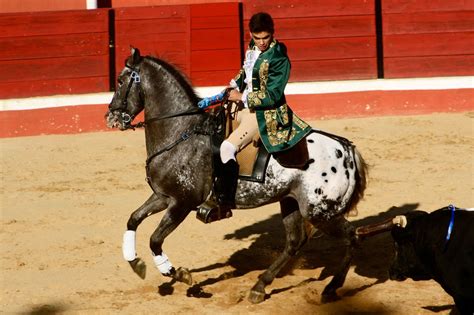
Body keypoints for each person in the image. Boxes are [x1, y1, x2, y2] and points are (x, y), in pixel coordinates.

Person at [196, 12, 312, 223]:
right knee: (213, 127)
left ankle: (225, 201)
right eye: (257, 38)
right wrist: (232, 86)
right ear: (251, 35)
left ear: (272, 34)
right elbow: (246, 73)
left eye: (265, 38)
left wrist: (242, 96)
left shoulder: (279, 58)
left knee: (227, 147)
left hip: (263, 114)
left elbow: (273, 95)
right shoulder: (252, 48)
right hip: (243, 104)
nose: (261, 43)